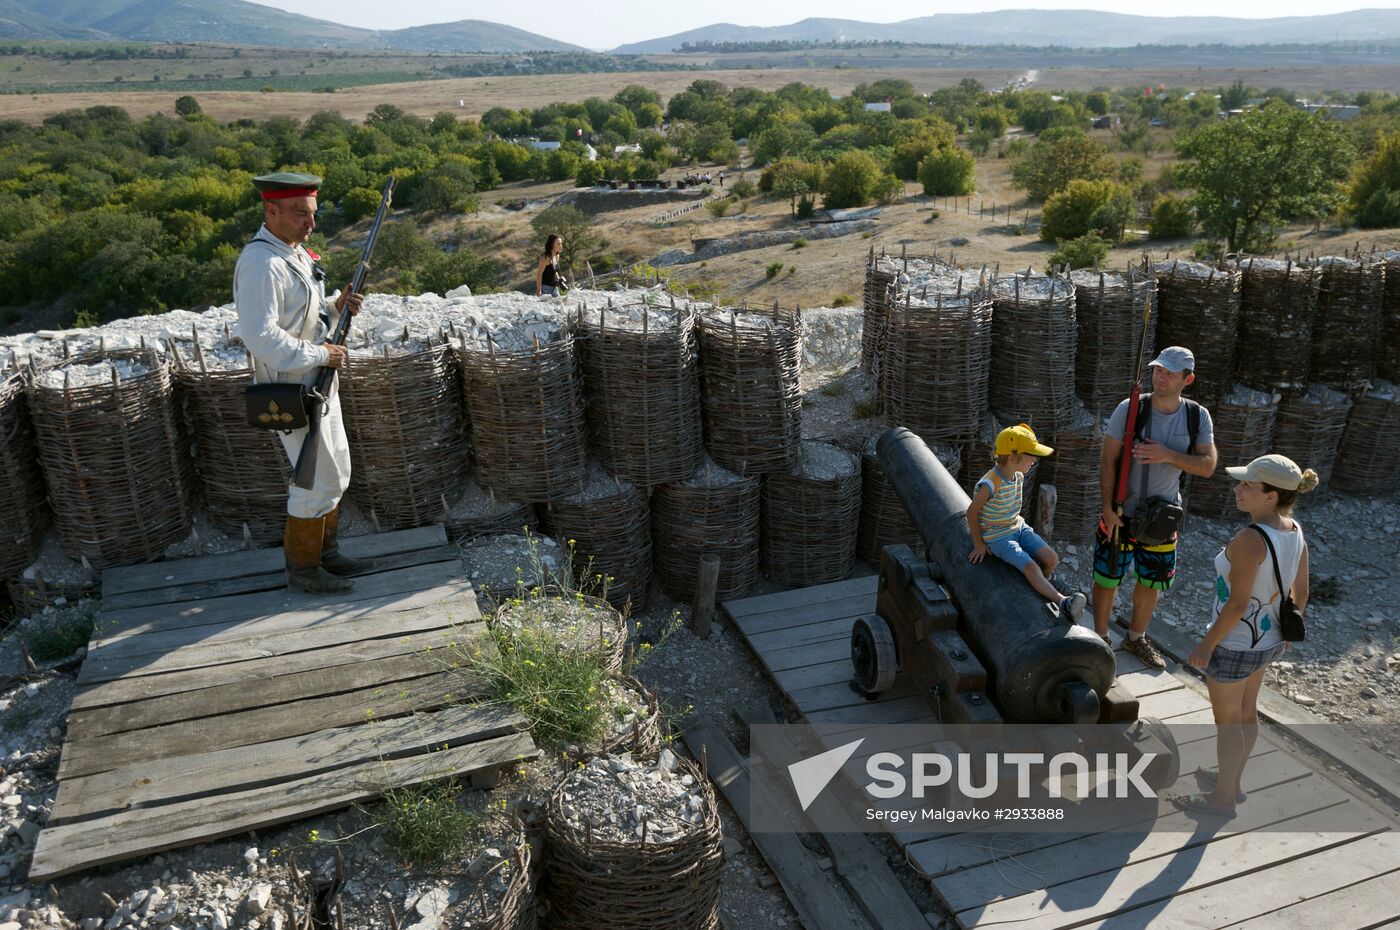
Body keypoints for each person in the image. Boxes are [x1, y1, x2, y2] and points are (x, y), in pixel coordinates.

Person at [234, 172, 370, 595]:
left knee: (337, 470)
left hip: (318, 381)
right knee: (314, 481)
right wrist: (320, 355)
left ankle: (325, 555)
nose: (310, 224)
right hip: (292, 387)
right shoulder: (262, 264)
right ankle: (303, 569)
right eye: (300, 214)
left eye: (312, 214)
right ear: (270, 210)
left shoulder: (293, 254)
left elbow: (304, 318)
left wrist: (336, 306)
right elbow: (261, 337)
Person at [1170, 455, 1316, 817]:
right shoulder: (1293, 531)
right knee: (1247, 713)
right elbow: (1302, 592)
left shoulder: (1252, 539)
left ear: (1270, 496)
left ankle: (1221, 799)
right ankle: (1232, 782)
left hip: (1234, 643)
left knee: (1227, 723)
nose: (1237, 489)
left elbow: (1236, 605)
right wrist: (1284, 634)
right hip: (1267, 642)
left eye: (1247, 485)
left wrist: (1207, 644)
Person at [1093, 346, 1218, 669]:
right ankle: (1100, 640)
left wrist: (1168, 455)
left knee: (1152, 582)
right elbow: (1108, 460)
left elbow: (1207, 465)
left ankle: (1136, 638)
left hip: (1162, 518)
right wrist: (1107, 507)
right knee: (1108, 577)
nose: (1160, 378)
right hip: (1121, 512)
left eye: (1169, 373)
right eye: (1158, 370)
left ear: (1187, 379)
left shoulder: (1196, 416)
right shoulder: (1130, 408)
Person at [968, 424, 1087, 620]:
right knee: (1031, 566)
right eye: (1030, 455)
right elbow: (972, 512)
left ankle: (1044, 584)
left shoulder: (1017, 475)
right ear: (1013, 458)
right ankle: (1062, 602)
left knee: (1051, 558)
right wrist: (979, 544)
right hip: (998, 536)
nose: (1034, 460)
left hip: (1017, 526)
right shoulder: (991, 483)